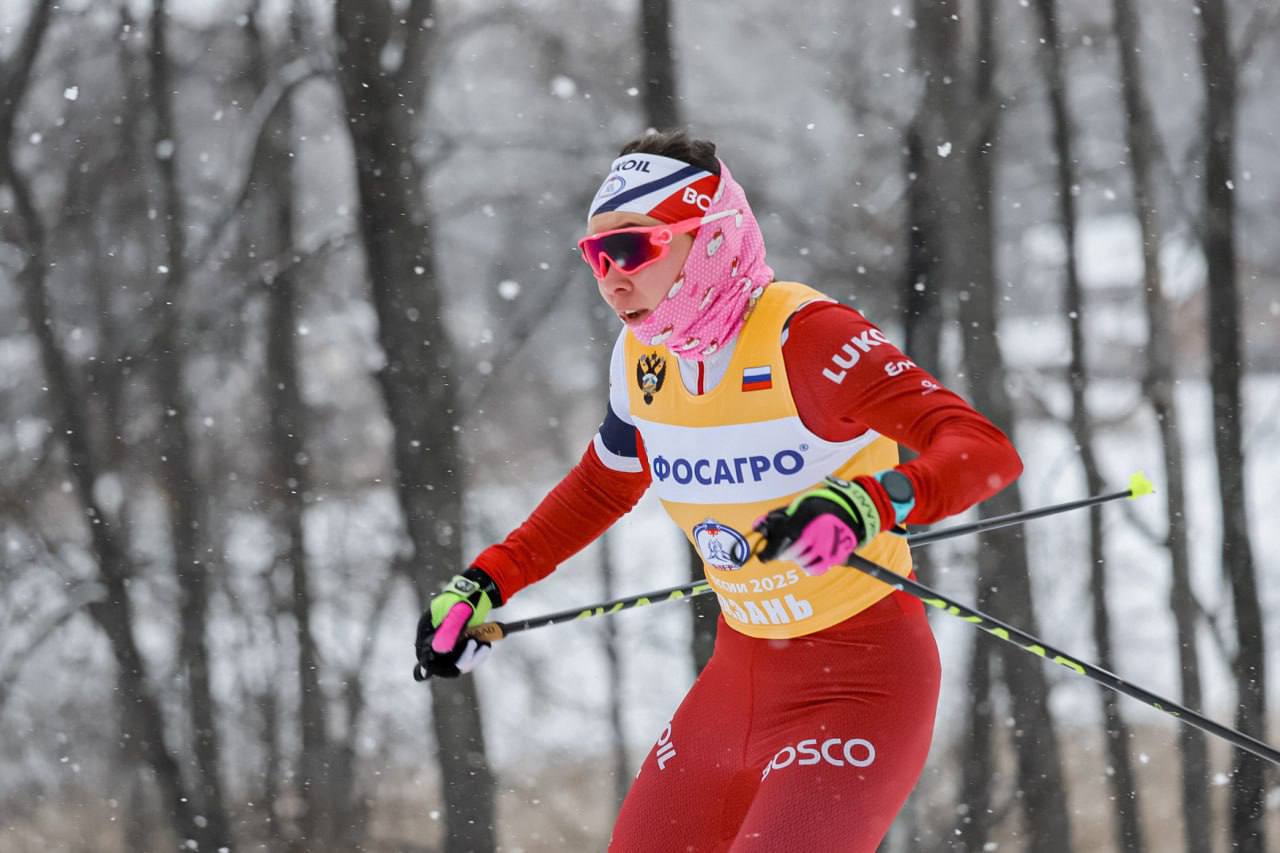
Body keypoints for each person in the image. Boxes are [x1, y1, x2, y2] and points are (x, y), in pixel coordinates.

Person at [415, 131, 1022, 852]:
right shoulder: (642, 360)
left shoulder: (809, 338)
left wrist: (873, 501)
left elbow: (983, 450)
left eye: (632, 248)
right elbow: (602, 486)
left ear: (709, 238)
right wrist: (485, 581)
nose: (610, 278)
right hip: (737, 679)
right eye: (596, 254)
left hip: (860, 683)